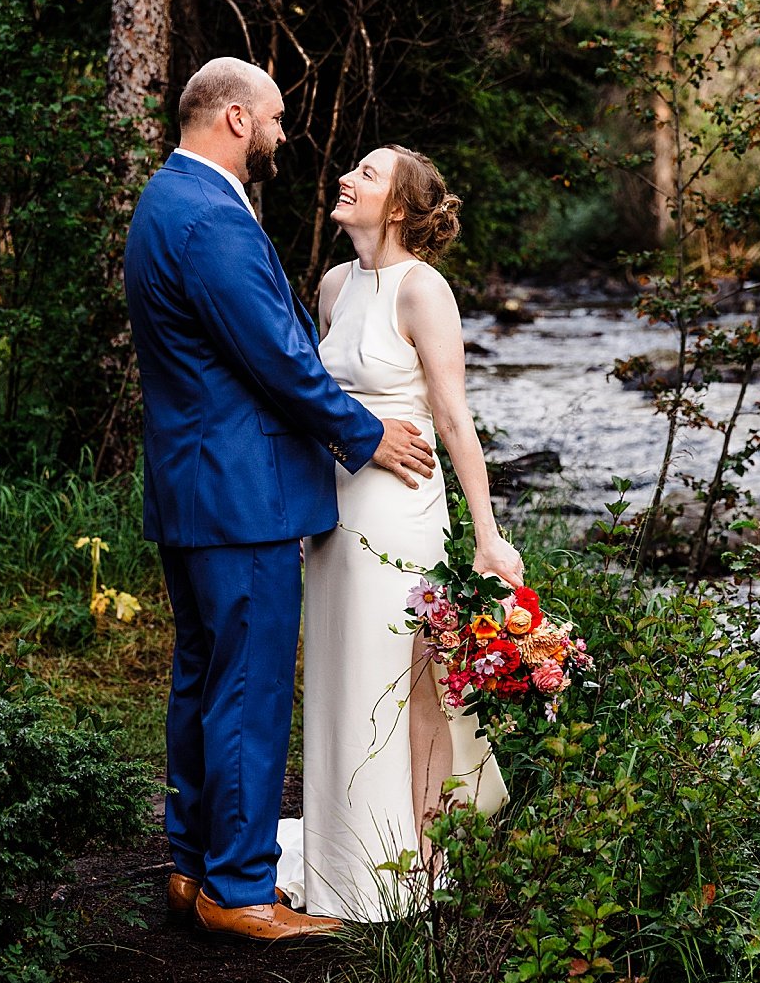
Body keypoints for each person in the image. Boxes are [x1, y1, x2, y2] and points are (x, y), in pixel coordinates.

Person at [123, 59, 437, 943]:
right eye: (274, 118)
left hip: (193, 487)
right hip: (242, 494)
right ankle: (239, 890)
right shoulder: (211, 216)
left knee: (203, 679)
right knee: (249, 689)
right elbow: (277, 357)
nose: (282, 134)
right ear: (232, 118)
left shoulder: (163, 201)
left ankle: (192, 867)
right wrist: (366, 434)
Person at [276, 144, 519, 922]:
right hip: (335, 513)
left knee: (408, 677)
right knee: (344, 670)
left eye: (368, 175)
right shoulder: (334, 285)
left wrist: (488, 533)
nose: (347, 179)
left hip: (404, 510)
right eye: (352, 169)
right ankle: (345, 852)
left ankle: (420, 858)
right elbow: (322, 401)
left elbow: (452, 416)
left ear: (402, 208)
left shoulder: (425, 291)